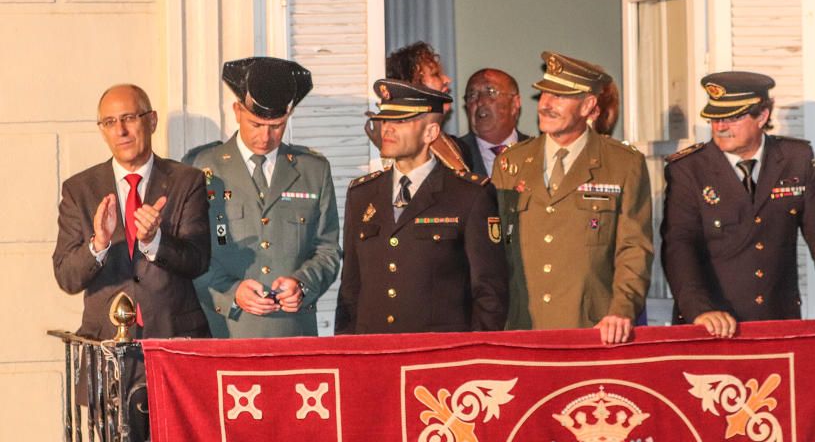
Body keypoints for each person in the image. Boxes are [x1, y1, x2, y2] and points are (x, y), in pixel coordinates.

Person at [662, 71, 815, 338]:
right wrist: (699, 310)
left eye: (732, 117)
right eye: (715, 118)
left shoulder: (795, 158)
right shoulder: (689, 168)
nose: (720, 127)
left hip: (776, 321)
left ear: (763, 116)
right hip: (711, 324)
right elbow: (679, 246)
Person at [492, 51, 653, 344]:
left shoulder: (622, 164)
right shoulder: (511, 163)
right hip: (521, 327)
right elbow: (493, 253)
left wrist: (621, 311)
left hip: (593, 330)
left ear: (589, 105)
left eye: (559, 97)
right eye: (543, 95)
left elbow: (634, 249)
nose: (545, 105)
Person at [183, 57, 341, 338]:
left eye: (277, 126)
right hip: (225, 331)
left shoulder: (313, 170)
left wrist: (302, 285)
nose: (266, 137)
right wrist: (232, 292)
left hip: (292, 333)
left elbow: (327, 250)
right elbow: (190, 253)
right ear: (237, 110)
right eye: (255, 124)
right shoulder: (202, 166)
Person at [335, 79, 508, 334]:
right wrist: (346, 351)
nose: (387, 129)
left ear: (431, 133)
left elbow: (489, 292)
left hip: (438, 357)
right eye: (386, 120)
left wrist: (473, 357)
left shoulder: (468, 195)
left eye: (401, 121)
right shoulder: (362, 194)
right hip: (374, 353)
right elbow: (350, 289)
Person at [53, 84, 211, 340]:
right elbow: (67, 278)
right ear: (102, 130)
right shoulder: (79, 189)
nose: (121, 131)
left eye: (128, 118)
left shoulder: (186, 181)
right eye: (110, 122)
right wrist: (99, 244)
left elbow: (198, 261)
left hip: (173, 338)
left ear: (152, 121)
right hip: (104, 343)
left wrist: (154, 241)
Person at [378, 41, 471, 172]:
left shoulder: (458, 145)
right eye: (435, 74)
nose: (447, 80)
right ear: (412, 86)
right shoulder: (402, 146)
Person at [457, 68, 531, 176]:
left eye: (490, 92)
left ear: (515, 104)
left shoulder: (539, 152)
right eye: (472, 95)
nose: (480, 101)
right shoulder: (454, 156)